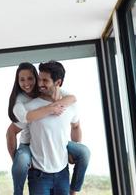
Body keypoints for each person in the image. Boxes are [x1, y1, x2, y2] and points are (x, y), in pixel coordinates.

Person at [6, 62, 90, 195]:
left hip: (62, 172)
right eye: (39, 79)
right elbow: (11, 131)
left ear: (58, 82)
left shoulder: (70, 104)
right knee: (21, 161)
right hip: (39, 175)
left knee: (85, 152)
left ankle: (74, 191)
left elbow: (76, 126)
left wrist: (72, 151)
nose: (39, 84)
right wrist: (19, 161)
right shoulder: (30, 106)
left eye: (45, 80)